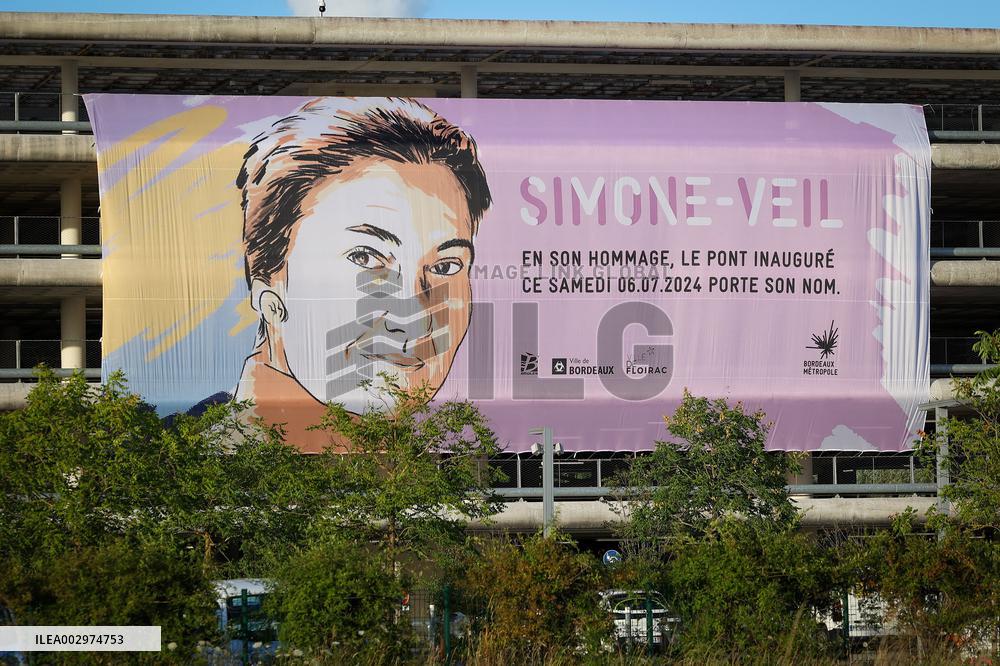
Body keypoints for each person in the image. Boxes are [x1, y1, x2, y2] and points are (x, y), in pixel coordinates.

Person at [232, 97, 492, 452]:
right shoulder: (230, 484)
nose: (413, 319)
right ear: (273, 298)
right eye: (366, 258)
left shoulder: (399, 464)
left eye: (445, 267)